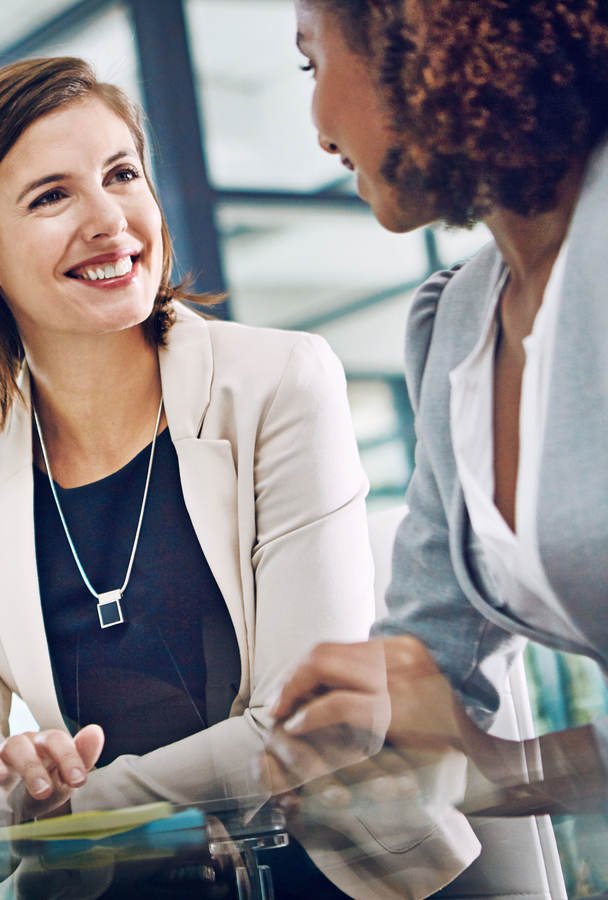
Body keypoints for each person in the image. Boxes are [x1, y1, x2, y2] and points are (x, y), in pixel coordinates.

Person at [0, 55, 463, 897]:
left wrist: (80, 808)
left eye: (121, 174)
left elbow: (317, 733)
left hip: (324, 872)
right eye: (52, 196)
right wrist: (12, 779)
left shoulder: (281, 380)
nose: (109, 218)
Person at [270, 0, 608, 826]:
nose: (317, 128)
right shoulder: (458, 321)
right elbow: (425, 669)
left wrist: (504, 765)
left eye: (313, 65)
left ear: (408, 40)